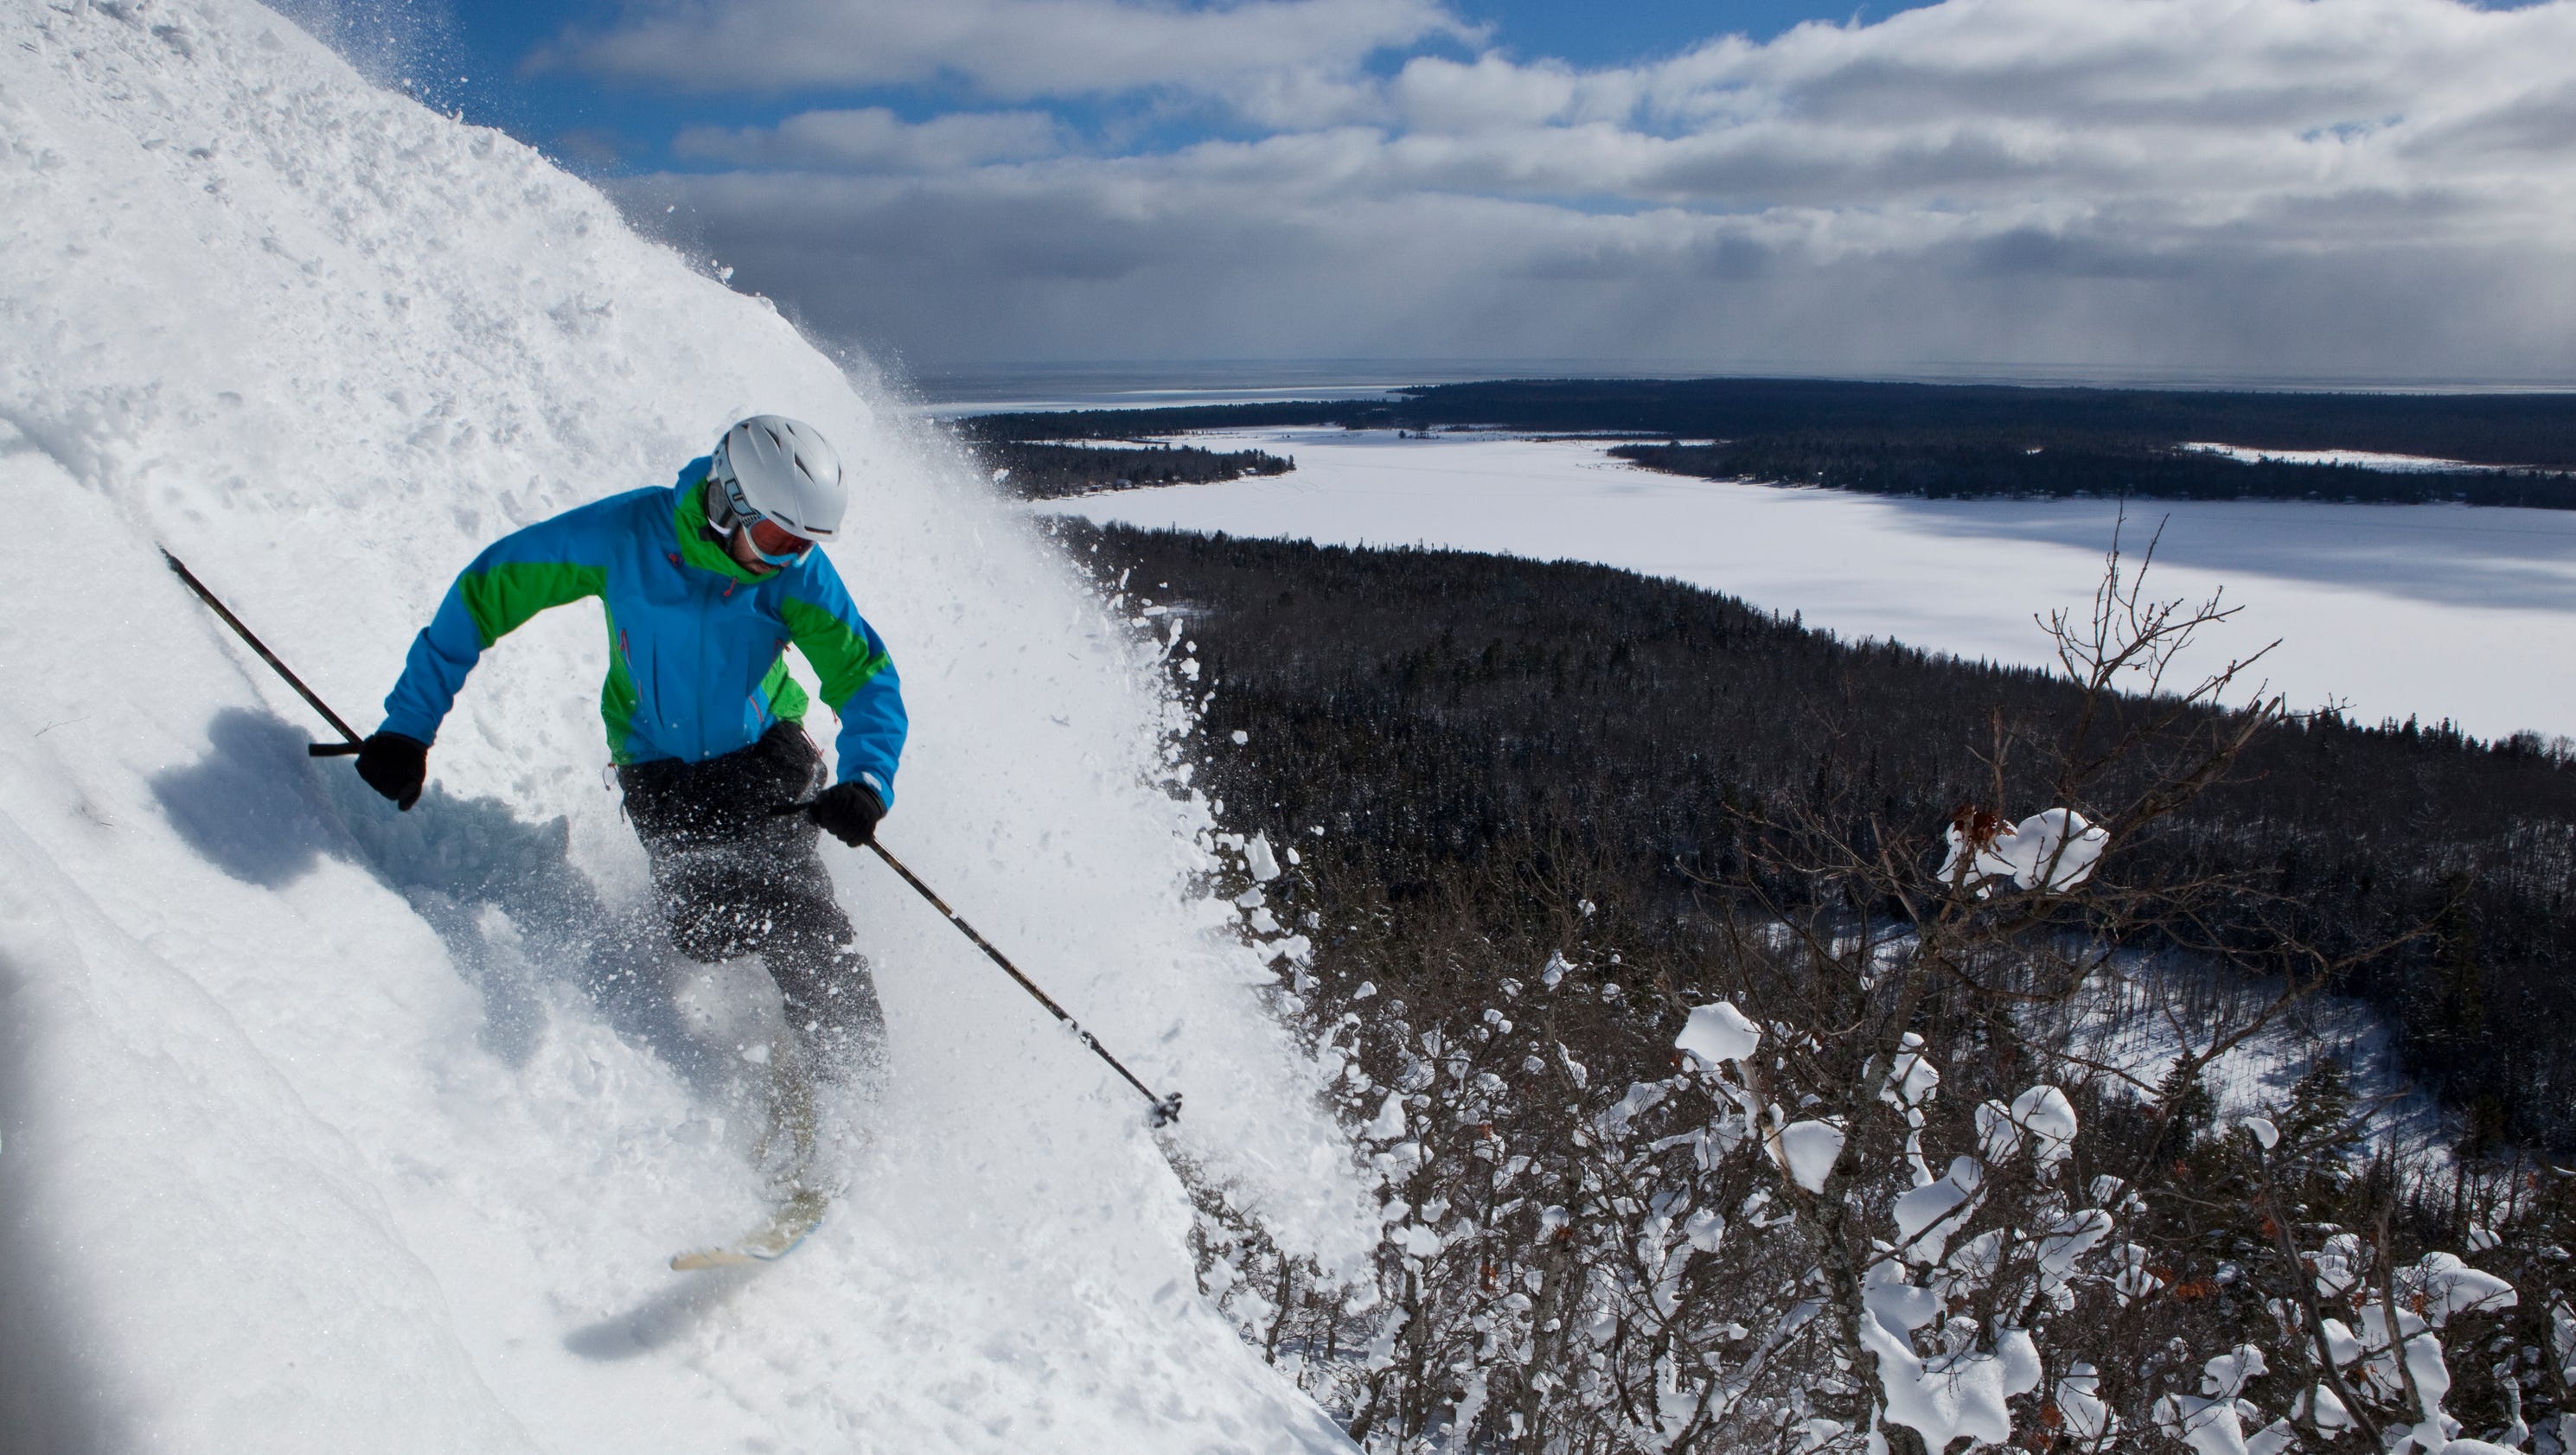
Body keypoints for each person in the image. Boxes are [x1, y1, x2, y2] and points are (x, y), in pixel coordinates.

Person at [353, 417, 905, 1142]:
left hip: (763, 755)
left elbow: (863, 675)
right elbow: (489, 588)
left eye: (804, 544)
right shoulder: (628, 537)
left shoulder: (793, 577)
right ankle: (777, 1006)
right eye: (775, 538)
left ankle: (855, 1100)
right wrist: (407, 725)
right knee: (704, 928)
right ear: (726, 502)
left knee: (800, 917)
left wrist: (867, 777)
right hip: (659, 771)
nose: (788, 558)